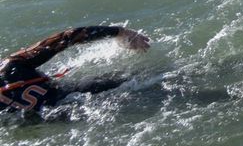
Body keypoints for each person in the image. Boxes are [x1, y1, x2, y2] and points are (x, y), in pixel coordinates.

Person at [1, 25, 151, 117]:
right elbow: (68, 37)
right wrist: (120, 32)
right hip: (92, 94)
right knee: (154, 79)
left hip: (71, 118)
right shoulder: (10, 67)